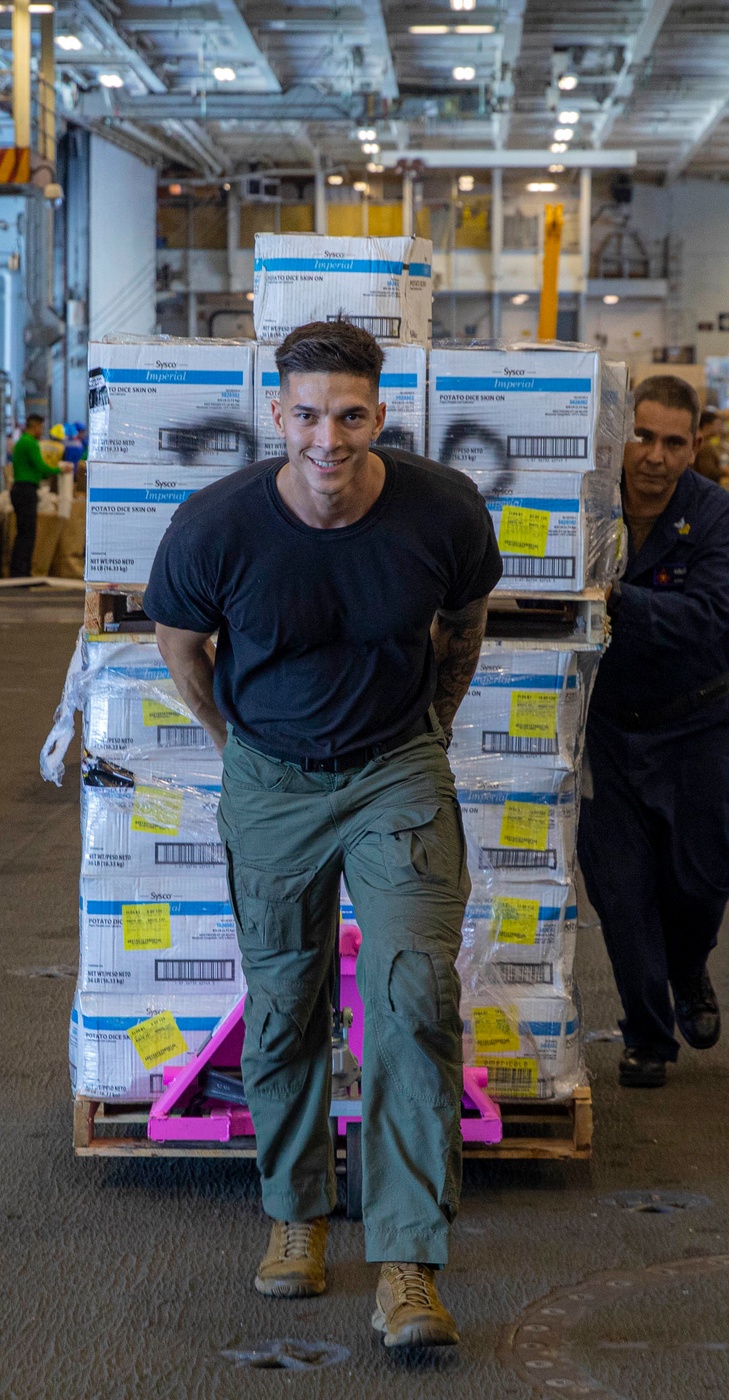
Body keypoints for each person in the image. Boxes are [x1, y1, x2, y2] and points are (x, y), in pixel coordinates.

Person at [144, 320, 502, 1349]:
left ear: (379, 414)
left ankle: (406, 1262)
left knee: (414, 997)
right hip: (270, 776)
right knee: (286, 994)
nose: (327, 438)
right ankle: (296, 1215)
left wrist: (430, 722)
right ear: (277, 413)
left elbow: (466, 622)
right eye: (307, 414)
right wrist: (237, 745)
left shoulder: (441, 509)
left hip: (395, 766)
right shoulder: (218, 525)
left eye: (349, 415)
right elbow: (180, 642)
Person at [577, 375, 729, 1090]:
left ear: (695, 447)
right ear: (621, 437)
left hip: (694, 728)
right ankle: (648, 1035)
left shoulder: (718, 519)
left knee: (702, 875)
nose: (653, 455)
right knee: (620, 891)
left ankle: (689, 969)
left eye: (672, 442)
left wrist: (617, 598)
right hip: (605, 732)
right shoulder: (587, 508)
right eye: (642, 436)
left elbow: (707, 618)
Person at [9, 414, 71, 578]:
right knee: (28, 534)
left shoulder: (22, 442)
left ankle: (18, 572)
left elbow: (36, 470)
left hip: (20, 490)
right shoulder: (30, 443)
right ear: (35, 426)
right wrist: (60, 470)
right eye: (41, 427)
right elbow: (41, 467)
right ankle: (22, 574)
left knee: (23, 532)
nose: (41, 431)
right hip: (26, 491)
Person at [692, 407, 724, 483]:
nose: (720, 428)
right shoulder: (703, 445)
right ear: (706, 425)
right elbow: (708, 472)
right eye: (717, 424)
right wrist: (723, 472)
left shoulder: (701, 441)